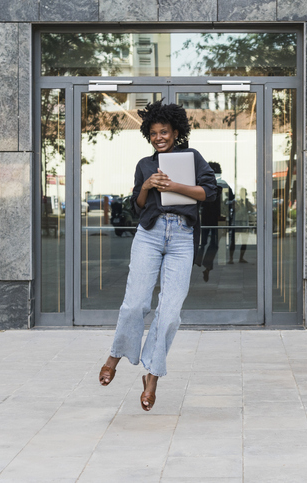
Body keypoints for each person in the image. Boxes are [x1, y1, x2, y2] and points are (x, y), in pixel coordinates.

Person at [98, 101, 217, 411]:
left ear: (176, 132)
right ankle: (116, 355)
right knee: (136, 302)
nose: (159, 137)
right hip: (150, 234)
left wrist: (174, 185)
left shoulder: (191, 158)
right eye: (153, 133)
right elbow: (138, 206)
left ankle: (152, 376)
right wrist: (147, 186)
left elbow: (209, 191)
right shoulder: (144, 164)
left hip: (181, 236)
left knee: (170, 312)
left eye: (164, 131)